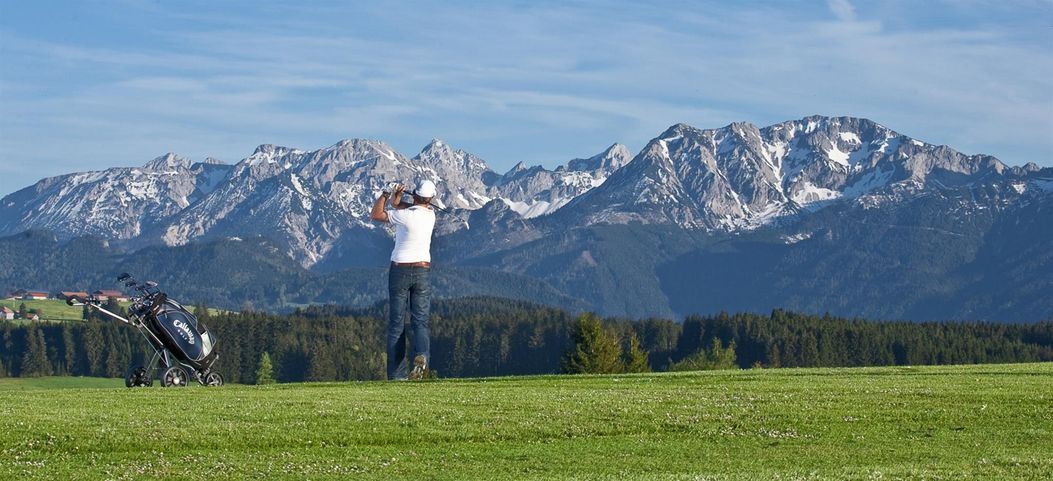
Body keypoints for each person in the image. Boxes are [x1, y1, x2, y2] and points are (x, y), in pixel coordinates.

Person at [370, 180, 437, 381]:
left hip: (399, 270)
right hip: (423, 271)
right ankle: (422, 356)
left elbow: (376, 215)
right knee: (420, 322)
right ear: (431, 199)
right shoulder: (430, 215)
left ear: (414, 195)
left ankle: (397, 375)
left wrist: (385, 194)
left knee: (397, 324)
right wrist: (398, 199)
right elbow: (408, 207)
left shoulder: (405, 216)